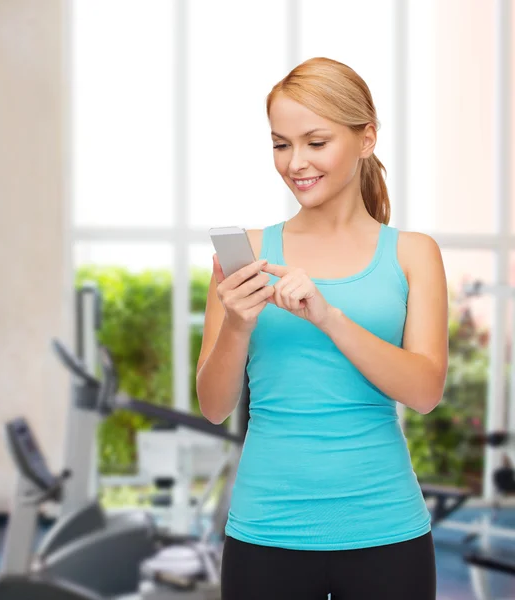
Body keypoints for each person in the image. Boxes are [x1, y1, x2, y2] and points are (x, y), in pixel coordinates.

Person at [196, 56, 448, 600]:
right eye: (281, 144)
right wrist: (237, 325)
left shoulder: (412, 254)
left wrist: (329, 317)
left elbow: (425, 391)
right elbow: (214, 407)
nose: (295, 162)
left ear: (366, 139)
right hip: (266, 531)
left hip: (386, 531)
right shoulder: (251, 254)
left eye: (315, 141)